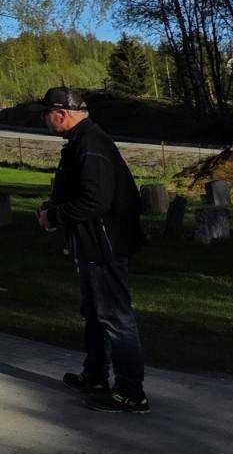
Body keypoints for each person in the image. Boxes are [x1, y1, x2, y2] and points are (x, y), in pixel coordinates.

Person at [38, 86, 150, 414]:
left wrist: (55, 215)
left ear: (62, 114)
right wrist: (54, 205)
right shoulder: (82, 142)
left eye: (46, 113)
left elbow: (94, 201)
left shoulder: (90, 145)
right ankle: (96, 376)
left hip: (105, 246)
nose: (44, 119)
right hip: (92, 244)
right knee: (95, 314)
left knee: (115, 317)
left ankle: (131, 392)